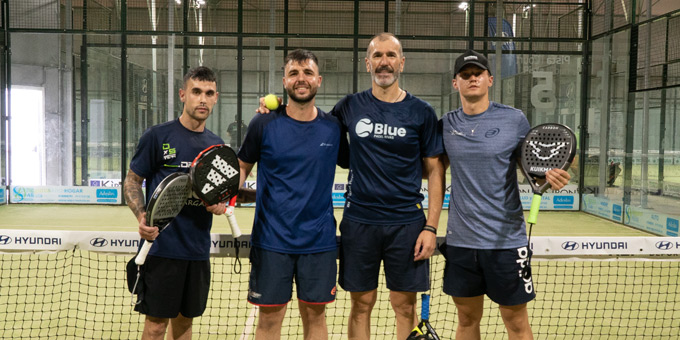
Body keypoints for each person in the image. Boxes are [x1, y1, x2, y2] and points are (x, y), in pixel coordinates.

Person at [258, 33, 444, 339]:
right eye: (378, 56)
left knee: (404, 305)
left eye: (391, 55)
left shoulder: (421, 112)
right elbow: (309, 121)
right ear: (367, 63)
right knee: (361, 304)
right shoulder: (349, 106)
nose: (384, 62)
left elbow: (436, 170)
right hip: (359, 222)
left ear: (402, 62)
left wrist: (432, 227)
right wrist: (277, 106)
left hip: (407, 224)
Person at [438, 50, 571, 340]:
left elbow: (533, 168)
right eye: (465, 75)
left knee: (517, 323)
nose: (472, 79)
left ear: (490, 80)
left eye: (478, 74)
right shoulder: (446, 124)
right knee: (467, 320)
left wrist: (551, 176)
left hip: (507, 243)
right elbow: (433, 168)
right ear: (455, 83)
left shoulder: (514, 119)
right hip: (461, 242)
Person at [238, 49, 347, 340]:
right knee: (270, 321)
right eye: (295, 73)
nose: (302, 79)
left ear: (319, 80)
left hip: (319, 242)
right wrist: (224, 196)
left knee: (315, 318)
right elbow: (241, 171)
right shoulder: (263, 123)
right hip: (272, 242)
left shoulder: (334, 128)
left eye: (308, 73)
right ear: (284, 80)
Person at [124, 66, 226, 340]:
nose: (202, 99)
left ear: (216, 97)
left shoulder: (216, 146)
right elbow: (132, 181)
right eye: (196, 92)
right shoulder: (157, 136)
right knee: (157, 326)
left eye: (208, 93)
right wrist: (142, 216)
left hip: (197, 252)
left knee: (184, 325)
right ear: (183, 95)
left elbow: (216, 195)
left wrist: (218, 204)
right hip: (161, 250)